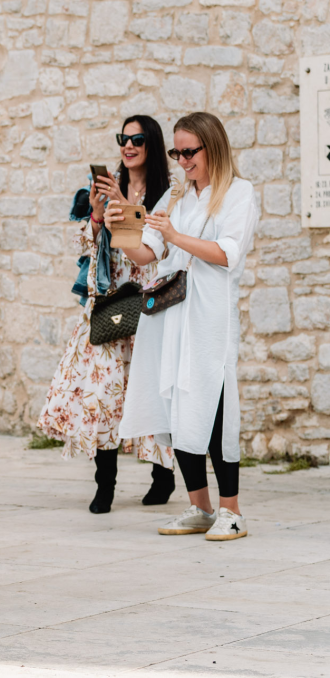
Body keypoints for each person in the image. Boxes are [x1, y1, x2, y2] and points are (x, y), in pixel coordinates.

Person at [110, 111, 258, 541]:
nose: (182, 160)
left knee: (214, 407)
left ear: (213, 147)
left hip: (209, 318)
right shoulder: (176, 196)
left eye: (189, 151)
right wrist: (120, 223)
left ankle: (231, 511)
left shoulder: (238, 193)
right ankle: (200, 507)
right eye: (177, 152)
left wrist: (174, 236)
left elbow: (227, 254)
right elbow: (146, 252)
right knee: (175, 405)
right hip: (170, 316)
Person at [37, 115, 176, 514]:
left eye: (137, 139)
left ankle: (163, 475)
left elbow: (152, 248)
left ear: (151, 144)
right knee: (102, 397)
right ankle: (105, 485)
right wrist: (98, 216)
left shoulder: (167, 195)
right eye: (123, 138)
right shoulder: (105, 186)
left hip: (148, 304)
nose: (128, 146)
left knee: (150, 394)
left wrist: (124, 205)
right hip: (109, 304)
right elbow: (88, 248)